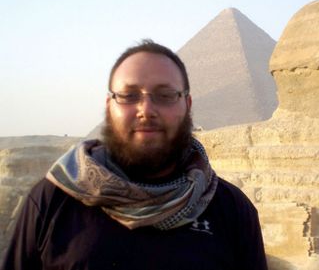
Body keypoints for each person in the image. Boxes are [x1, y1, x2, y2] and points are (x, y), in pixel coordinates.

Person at [1, 39, 268, 270]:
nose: (146, 109)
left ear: (187, 105)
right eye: (129, 96)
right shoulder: (53, 199)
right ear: (109, 106)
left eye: (165, 95)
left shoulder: (231, 209)